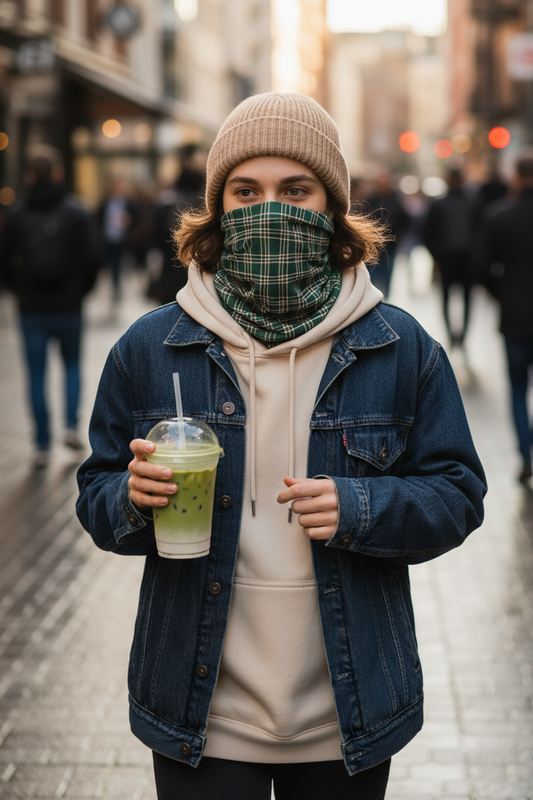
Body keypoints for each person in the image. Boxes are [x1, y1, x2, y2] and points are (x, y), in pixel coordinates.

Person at [76, 93, 486, 799]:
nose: (270, 208)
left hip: (347, 716)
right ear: (218, 207)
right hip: (197, 712)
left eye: (295, 189)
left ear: (331, 206)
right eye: (246, 191)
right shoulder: (149, 347)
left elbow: (457, 493)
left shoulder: (398, 346)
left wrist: (361, 507)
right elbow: (96, 493)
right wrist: (130, 499)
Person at [0, 152, 101, 468]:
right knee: (72, 365)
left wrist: (19, 291)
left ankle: (41, 443)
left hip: (31, 308)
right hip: (69, 305)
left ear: (29, 175)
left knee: (36, 373)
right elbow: (93, 257)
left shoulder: (16, 214)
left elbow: (3, 262)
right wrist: (81, 291)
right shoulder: (74, 212)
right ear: (57, 173)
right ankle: (70, 427)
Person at [477, 154, 533, 484]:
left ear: (515, 177)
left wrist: (505, 294)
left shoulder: (498, 216)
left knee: (516, 388)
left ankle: (524, 454)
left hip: (513, 317)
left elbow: (482, 269)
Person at [422, 168, 479, 351]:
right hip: (468, 261)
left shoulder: (439, 204)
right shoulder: (474, 202)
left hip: (446, 260)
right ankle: (462, 338)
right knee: (467, 300)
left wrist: (435, 257)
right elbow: (481, 233)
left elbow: (427, 233)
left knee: (446, 299)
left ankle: (451, 335)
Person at [147, 143, 206, 305]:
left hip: (177, 275)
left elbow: (154, 242)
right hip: (184, 276)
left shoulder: (167, 202)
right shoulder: (200, 203)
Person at [364, 171, 409, 298]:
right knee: (370, 283)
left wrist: (396, 237)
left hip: (390, 249)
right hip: (372, 250)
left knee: (387, 283)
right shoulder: (370, 201)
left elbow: (404, 222)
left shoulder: (396, 202)